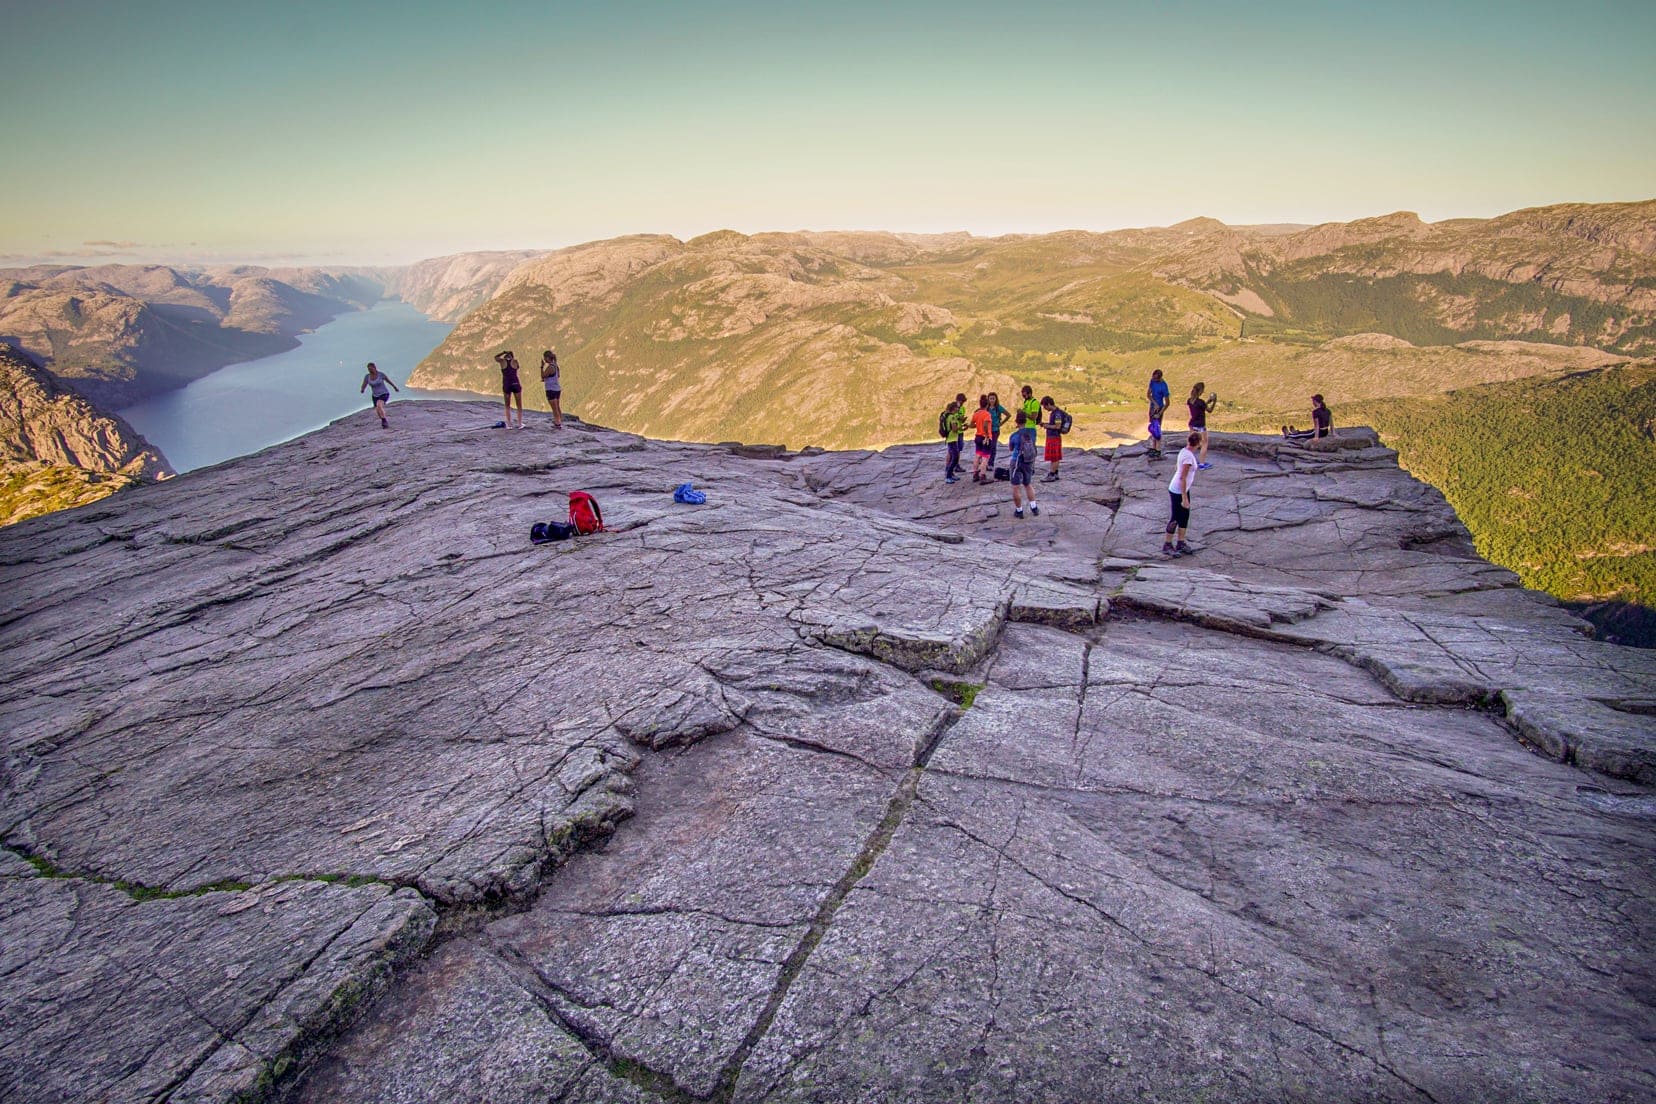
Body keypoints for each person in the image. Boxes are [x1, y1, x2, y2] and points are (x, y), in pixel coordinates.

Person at [1163, 429, 1201, 557]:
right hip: (1178, 490)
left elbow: (1177, 468)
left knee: (1184, 516)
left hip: (1184, 489)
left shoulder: (1184, 451)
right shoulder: (1188, 458)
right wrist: (1184, 498)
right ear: (1199, 443)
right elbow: (1182, 478)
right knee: (1176, 517)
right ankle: (1167, 544)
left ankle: (1180, 542)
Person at [1007, 410, 1040, 519]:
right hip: (1029, 461)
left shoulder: (1014, 435)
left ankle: (1019, 510)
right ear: (1026, 421)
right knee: (1027, 484)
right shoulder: (1032, 433)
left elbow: (1011, 448)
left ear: (1016, 422)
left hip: (1017, 461)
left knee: (1016, 486)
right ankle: (1034, 507)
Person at [1187, 381, 1218, 468]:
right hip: (1200, 425)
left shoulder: (1190, 401)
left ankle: (1188, 461)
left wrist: (1208, 401)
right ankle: (1202, 463)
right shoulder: (1201, 402)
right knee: (1204, 443)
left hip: (1192, 424)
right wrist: (1214, 401)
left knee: (1191, 443)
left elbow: (1201, 407)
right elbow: (1209, 410)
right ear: (1201, 392)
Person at [359, 362, 399, 429]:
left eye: (371, 369)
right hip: (375, 395)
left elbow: (388, 381)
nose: (370, 370)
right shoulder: (367, 377)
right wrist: (362, 389)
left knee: (379, 405)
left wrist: (394, 387)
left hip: (384, 393)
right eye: (368, 369)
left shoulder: (381, 375)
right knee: (377, 410)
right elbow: (364, 384)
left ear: (374, 368)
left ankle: (384, 421)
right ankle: (383, 419)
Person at [1039, 395, 1068, 481]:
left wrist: (1046, 426)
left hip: (1054, 437)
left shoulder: (1057, 414)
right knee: (1055, 456)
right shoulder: (1055, 413)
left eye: (1045, 406)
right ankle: (1055, 473)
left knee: (1054, 456)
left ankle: (1052, 474)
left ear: (1048, 404)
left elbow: (1057, 426)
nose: (1044, 408)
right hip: (1053, 437)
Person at [494, 350, 525, 429]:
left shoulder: (502, 361)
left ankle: (509, 424)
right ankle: (520, 424)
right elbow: (517, 367)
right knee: (519, 405)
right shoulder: (515, 361)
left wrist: (503, 352)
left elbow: (495, 357)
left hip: (506, 384)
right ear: (512, 356)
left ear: (505, 356)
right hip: (515, 383)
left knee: (507, 405)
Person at [1146, 369, 1170, 458]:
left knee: (1157, 429)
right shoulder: (1152, 381)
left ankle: (1158, 449)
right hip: (1153, 407)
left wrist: (1160, 412)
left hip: (1159, 408)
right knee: (1152, 428)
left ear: (1159, 378)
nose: (1153, 379)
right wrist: (1154, 403)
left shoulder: (1164, 386)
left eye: (1155, 379)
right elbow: (1148, 395)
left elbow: (1167, 403)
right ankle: (1153, 447)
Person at [970, 395, 994, 483]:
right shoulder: (987, 414)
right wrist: (987, 435)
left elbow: (971, 425)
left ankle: (975, 474)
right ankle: (982, 476)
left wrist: (977, 425)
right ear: (987, 405)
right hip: (985, 437)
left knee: (977, 455)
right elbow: (985, 425)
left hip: (978, 436)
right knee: (985, 457)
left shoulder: (976, 414)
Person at [943, 399, 967, 483]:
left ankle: (951, 474)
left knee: (953, 457)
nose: (958, 409)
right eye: (957, 408)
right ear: (954, 408)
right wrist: (961, 428)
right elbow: (954, 429)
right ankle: (948, 476)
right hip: (952, 439)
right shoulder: (952, 417)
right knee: (955, 458)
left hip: (950, 439)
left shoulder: (947, 416)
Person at [540, 349, 564, 429]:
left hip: (550, 389)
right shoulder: (556, 366)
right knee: (557, 406)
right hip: (557, 389)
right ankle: (560, 421)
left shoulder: (550, 367)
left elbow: (543, 375)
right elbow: (558, 376)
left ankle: (557, 424)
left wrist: (541, 367)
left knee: (554, 408)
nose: (544, 359)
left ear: (547, 357)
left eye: (545, 358)